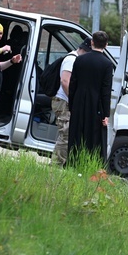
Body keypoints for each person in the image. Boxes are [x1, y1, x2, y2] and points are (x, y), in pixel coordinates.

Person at [68, 30, 113, 164]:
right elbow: (106, 91)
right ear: (106, 45)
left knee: (76, 134)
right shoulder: (107, 64)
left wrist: (71, 105)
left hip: (78, 101)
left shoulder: (80, 59)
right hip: (96, 104)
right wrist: (106, 113)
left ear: (92, 42)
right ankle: (89, 163)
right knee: (93, 136)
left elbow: (73, 83)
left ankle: (73, 162)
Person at [51, 37, 92, 166]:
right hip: (63, 101)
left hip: (64, 101)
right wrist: (74, 99)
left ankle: (59, 163)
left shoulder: (75, 59)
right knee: (66, 134)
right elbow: (65, 81)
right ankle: (56, 165)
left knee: (65, 134)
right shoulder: (71, 59)